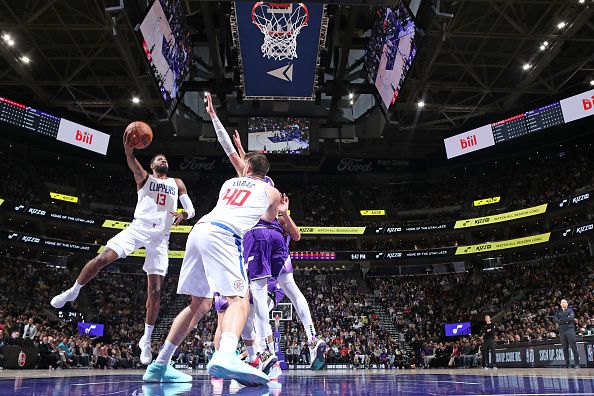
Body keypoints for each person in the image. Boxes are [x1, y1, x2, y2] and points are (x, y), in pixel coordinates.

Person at [143, 93, 281, 386]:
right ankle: (227, 354)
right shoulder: (271, 191)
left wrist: (214, 117)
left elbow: (228, 150)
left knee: (199, 304)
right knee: (239, 300)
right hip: (223, 236)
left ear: (246, 169)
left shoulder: (232, 181)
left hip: (200, 230)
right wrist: (278, 208)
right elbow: (269, 219)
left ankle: (159, 364)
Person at [51, 132, 195, 365]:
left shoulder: (176, 183)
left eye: (165, 159)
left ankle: (146, 340)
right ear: (151, 165)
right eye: (158, 159)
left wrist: (183, 213)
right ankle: (74, 290)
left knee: (156, 291)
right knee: (103, 257)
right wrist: (128, 149)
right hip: (138, 228)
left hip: (160, 237)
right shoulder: (144, 177)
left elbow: (191, 210)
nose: (163, 160)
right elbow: (131, 161)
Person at [231, 130, 327, 371]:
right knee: (293, 290)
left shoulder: (246, 182)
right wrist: (244, 151)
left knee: (259, 296)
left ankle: (264, 351)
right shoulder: (271, 185)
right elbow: (252, 166)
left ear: (248, 169)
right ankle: (312, 338)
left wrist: (236, 147)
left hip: (257, 235)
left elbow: (243, 167)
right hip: (276, 236)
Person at [554, 299, 580, 368]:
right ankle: (567, 364)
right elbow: (555, 319)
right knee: (565, 348)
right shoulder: (558, 312)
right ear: (560, 304)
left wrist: (561, 321)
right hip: (562, 331)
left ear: (567, 304)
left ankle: (577, 364)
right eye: (562, 302)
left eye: (565, 302)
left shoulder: (570, 311)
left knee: (573, 347)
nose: (563, 303)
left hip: (570, 330)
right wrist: (564, 320)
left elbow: (571, 318)